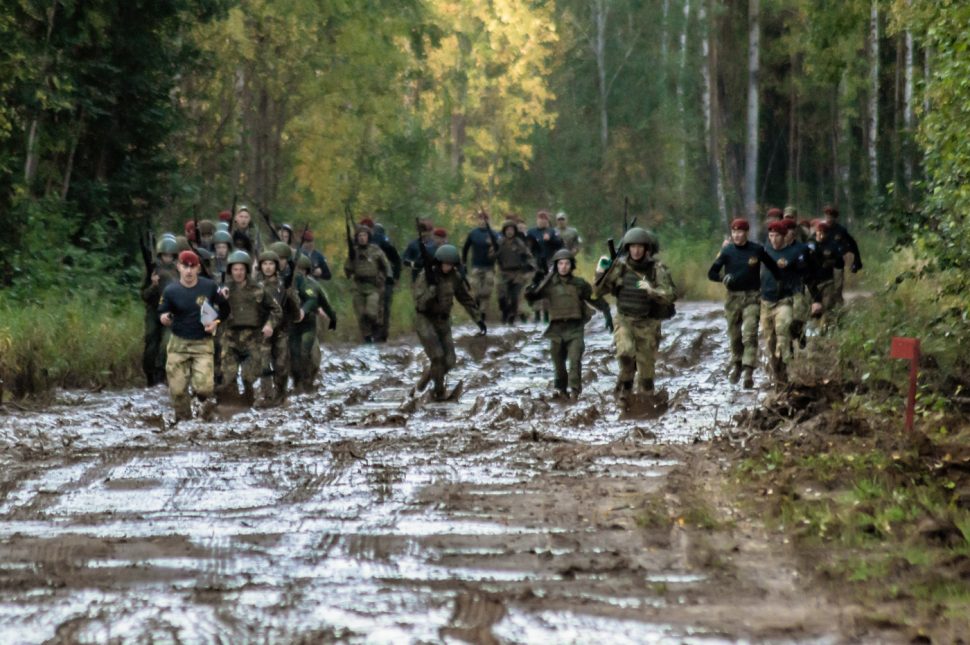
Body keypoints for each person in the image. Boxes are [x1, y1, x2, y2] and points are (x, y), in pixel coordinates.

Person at [593, 227, 677, 403]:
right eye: (632, 247)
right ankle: (624, 392)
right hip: (625, 319)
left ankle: (645, 403)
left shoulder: (657, 269)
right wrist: (600, 272)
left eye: (640, 247)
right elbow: (598, 292)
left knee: (646, 372)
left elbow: (670, 295)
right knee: (625, 353)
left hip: (648, 323)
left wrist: (652, 291)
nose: (636, 250)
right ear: (628, 248)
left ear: (646, 249)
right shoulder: (620, 268)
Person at [526, 249, 611, 399]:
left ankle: (575, 391)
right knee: (558, 364)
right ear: (556, 266)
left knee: (574, 360)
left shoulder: (580, 284)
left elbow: (593, 298)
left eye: (567, 263)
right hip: (556, 330)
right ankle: (561, 390)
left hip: (575, 329)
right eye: (560, 264)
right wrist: (535, 283)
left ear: (571, 266)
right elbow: (532, 297)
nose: (564, 267)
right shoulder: (548, 285)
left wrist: (606, 312)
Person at [707, 218, 779, 388]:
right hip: (733, 299)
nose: (737, 235)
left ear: (746, 232)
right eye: (734, 232)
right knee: (734, 337)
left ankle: (748, 371)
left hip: (752, 297)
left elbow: (774, 268)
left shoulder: (757, 250)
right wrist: (722, 278)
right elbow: (711, 273)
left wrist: (777, 287)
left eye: (740, 232)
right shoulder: (727, 251)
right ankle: (737, 364)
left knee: (750, 334)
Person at [158, 250, 229, 422]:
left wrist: (215, 322)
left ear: (198, 268)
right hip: (178, 344)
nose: (188, 271)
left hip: (202, 344)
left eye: (192, 267)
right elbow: (162, 312)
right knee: (177, 390)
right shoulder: (171, 290)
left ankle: (203, 408)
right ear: (178, 267)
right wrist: (164, 318)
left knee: (204, 388)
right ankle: (184, 422)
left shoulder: (209, 287)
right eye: (185, 267)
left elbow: (225, 309)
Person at [412, 244, 486, 400]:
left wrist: (478, 319)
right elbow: (420, 304)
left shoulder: (455, 277)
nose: (447, 267)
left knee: (450, 361)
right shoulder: (425, 277)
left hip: (443, 321)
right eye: (445, 264)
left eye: (451, 264)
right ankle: (439, 392)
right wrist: (431, 290)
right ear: (438, 263)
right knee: (437, 357)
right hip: (425, 319)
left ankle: (425, 380)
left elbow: (465, 298)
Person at [760, 220, 822, 385]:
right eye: (771, 235)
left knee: (785, 327)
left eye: (778, 235)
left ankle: (790, 361)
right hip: (766, 300)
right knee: (770, 342)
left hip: (790, 297)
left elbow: (810, 275)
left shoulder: (799, 251)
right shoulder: (764, 250)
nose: (774, 239)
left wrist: (817, 299)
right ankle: (779, 377)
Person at [218, 250, 282, 405]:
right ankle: (231, 408)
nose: (238, 273)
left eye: (241, 269)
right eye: (235, 269)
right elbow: (208, 311)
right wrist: (220, 299)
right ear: (230, 271)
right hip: (230, 337)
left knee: (249, 376)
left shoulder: (258, 289)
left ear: (246, 270)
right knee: (228, 377)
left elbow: (276, 309)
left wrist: (269, 325)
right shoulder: (224, 289)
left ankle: (248, 401)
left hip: (252, 339)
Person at [256, 249, 303, 406]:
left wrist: (290, 296)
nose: (268, 267)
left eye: (271, 264)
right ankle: (267, 396)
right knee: (263, 364)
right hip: (263, 331)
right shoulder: (256, 286)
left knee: (281, 365)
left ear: (276, 266)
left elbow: (296, 314)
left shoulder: (285, 285)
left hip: (281, 330)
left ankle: (281, 395)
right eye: (265, 264)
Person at [291, 254, 337, 393]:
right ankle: (297, 382)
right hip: (291, 325)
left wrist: (323, 313)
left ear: (306, 271)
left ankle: (308, 381)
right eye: (296, 270)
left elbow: (322, 302)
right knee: (292, 355)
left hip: (309, 323)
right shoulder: (286, 284)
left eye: (301, 270)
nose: (298, 273)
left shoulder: (313, 286)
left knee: (311, 355)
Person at [141, 237, 180, 387]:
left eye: (170, 255)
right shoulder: (152, 270)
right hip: (153, 310)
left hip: (171, 311)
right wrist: (153, 285)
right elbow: (144, 295)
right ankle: (150, 375)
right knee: (151, 342)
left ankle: (161, 374)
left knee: (166, 344)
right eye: (165, 255)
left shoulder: (179, 270)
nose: (167, 258)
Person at [344, 224, 392, 343]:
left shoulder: (375, 250)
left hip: (373, 287)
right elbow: (347, 270)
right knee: (361, 315)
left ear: (368, 237)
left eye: (364, 235)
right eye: (359, 235)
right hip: (358, 287)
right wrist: (351, 261)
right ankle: (367, 337)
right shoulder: (354, 252)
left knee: (371, 313)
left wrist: (389, 276)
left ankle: (377, 325)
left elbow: (386, 265)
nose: (362, 238)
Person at [362, 218, 402, 341]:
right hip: (368, 281)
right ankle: (372, 334)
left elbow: (395, 259)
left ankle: (381, 335)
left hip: (385, 279)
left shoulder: (381, 241)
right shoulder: (361, 242)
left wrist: (394, 277)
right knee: (371, 307)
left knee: (383, 306)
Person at [806, 220, 845, 333]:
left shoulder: (832, 245)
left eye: (824, 233)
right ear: (816, 232)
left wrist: (831, 262)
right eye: (819, 232)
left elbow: (840, 264)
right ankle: (811, 332)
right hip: (812, 281)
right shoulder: (810, 244)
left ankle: (825, 330)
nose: (821, 235)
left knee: (827, 307)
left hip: (827, 280)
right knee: (812, 307)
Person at [495, 218, 535, 325]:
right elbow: (490, 256)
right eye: (507, 229)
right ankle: (505, 313)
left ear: (515, 231)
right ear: (504, 231)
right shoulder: (499, 242)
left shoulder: (519, 243)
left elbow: (529, 256)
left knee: (514, 297)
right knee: (501, 297)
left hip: (517, 274)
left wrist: (530, 266)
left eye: (511, 229)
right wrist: (495, 252)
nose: (509, 232)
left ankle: (512, 317)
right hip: (503, 273)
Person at [527, 210, 564, 322]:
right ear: (537, 219)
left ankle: (547, 315)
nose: (542, 221)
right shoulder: (531, 232)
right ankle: (537, 314)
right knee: (535, 288)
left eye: (544, 219)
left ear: (547, 221)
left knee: (547, 288)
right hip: (536, 263)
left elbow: (560, 245)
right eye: (540, 219)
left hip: (549, 263)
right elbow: (526, 247)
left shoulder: (552, 232)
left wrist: (551, 239)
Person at [461, 210, 500, 316]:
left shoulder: (494, 234)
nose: (482, 221)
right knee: (476, 289)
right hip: (476, 266)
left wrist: (494, 245)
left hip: (489, 267)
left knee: (487, 291)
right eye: (480, 219)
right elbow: (465, 248)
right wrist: (464, 263)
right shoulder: (473, 233)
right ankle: (477, 303)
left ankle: (483, 312)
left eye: (485, 219)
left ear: (488, 220)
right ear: (478, 220)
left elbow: (500, 247)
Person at [822, 205, 863, 305]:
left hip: (837, 263)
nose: (828, 219)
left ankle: (839, 311)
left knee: (837, 289)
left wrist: (856, 261)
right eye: (826, 216)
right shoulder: (822, 229)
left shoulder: (841, 230)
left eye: (830, 217)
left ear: (835, 218)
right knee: (825, 289)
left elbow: (852, 244)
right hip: (823, 264)